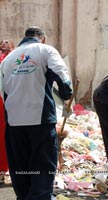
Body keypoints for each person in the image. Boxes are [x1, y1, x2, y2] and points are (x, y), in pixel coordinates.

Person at [0, 26, 72, 199]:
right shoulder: (45, 50)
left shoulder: (8, 59)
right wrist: (65, 93)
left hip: (14, 124)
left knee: (21, 169)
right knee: (42, 167)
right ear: (43, 38)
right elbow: (63, 79)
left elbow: (2, 93)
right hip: (40, 122)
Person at [0, 39, 15, 184]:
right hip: (5, 103)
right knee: (5, 137)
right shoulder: (12, 60)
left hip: (5, 102)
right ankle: (4, 170)